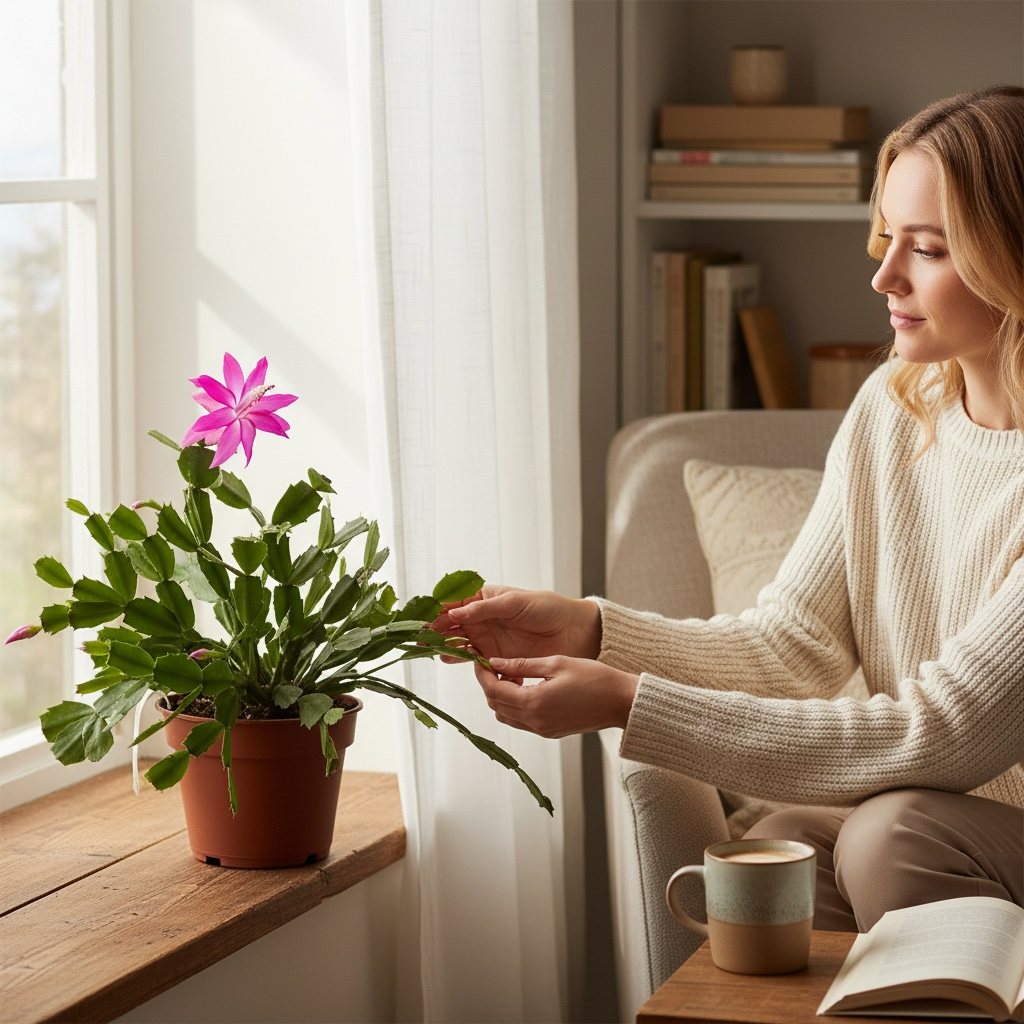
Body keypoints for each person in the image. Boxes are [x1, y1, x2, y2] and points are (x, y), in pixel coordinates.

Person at [435, 86, 1024, 933]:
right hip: (947, 830)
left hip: (946, 825)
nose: (883, 275)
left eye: (927, 248)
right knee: (775, 852)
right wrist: (592, 632)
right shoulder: (894, 413)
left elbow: (941, 738)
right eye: (887, 238)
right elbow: (796, 648)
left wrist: (629, 701)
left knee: (891, 835)